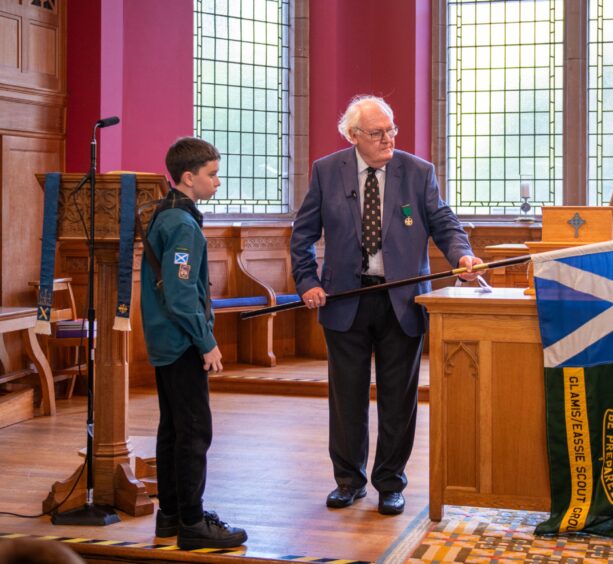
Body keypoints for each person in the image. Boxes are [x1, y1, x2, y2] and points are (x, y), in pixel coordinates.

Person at [291, 95, 483, 515]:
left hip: (401, 302)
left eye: (392, 129)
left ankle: (390, 483)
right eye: (378, 132)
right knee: (347, 399)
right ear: (353, 135)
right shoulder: (327, 171)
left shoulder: (418, 172)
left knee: (399, 399)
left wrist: (462, 257)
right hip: (346, 301)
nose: (388, 139)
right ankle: (348, 480)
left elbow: (445, 224)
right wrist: (306, 281)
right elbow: (302, 235)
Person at [140, 137, 248, 549]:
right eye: (212, 174)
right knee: (195, 432)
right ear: (189, 177)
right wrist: (206, 342)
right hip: (182, 341)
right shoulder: (182, 225)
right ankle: (191, 523)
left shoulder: (165, 213)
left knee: (172, 430)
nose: (218, 181)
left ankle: (169, 517)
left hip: (165, 339)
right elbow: (182, 295)